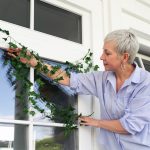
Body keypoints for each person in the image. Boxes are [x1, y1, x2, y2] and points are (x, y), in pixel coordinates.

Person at [7, 29, 150, 150]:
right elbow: (68, 78)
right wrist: (35, 62)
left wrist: (96, 122)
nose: (101, 57)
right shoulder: (101, 79)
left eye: (107, 53)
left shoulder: (145, 83)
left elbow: (131, 126)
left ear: (124, 57)